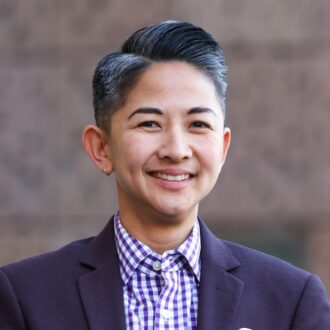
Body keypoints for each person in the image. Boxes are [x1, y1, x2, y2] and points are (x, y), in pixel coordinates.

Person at [0, 20, 329, 330]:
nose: (176, 149)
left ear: (223, 147)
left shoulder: (290, 300)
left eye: (198, 125)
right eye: (149, 124)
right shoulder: (25, 296)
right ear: (101, 147)